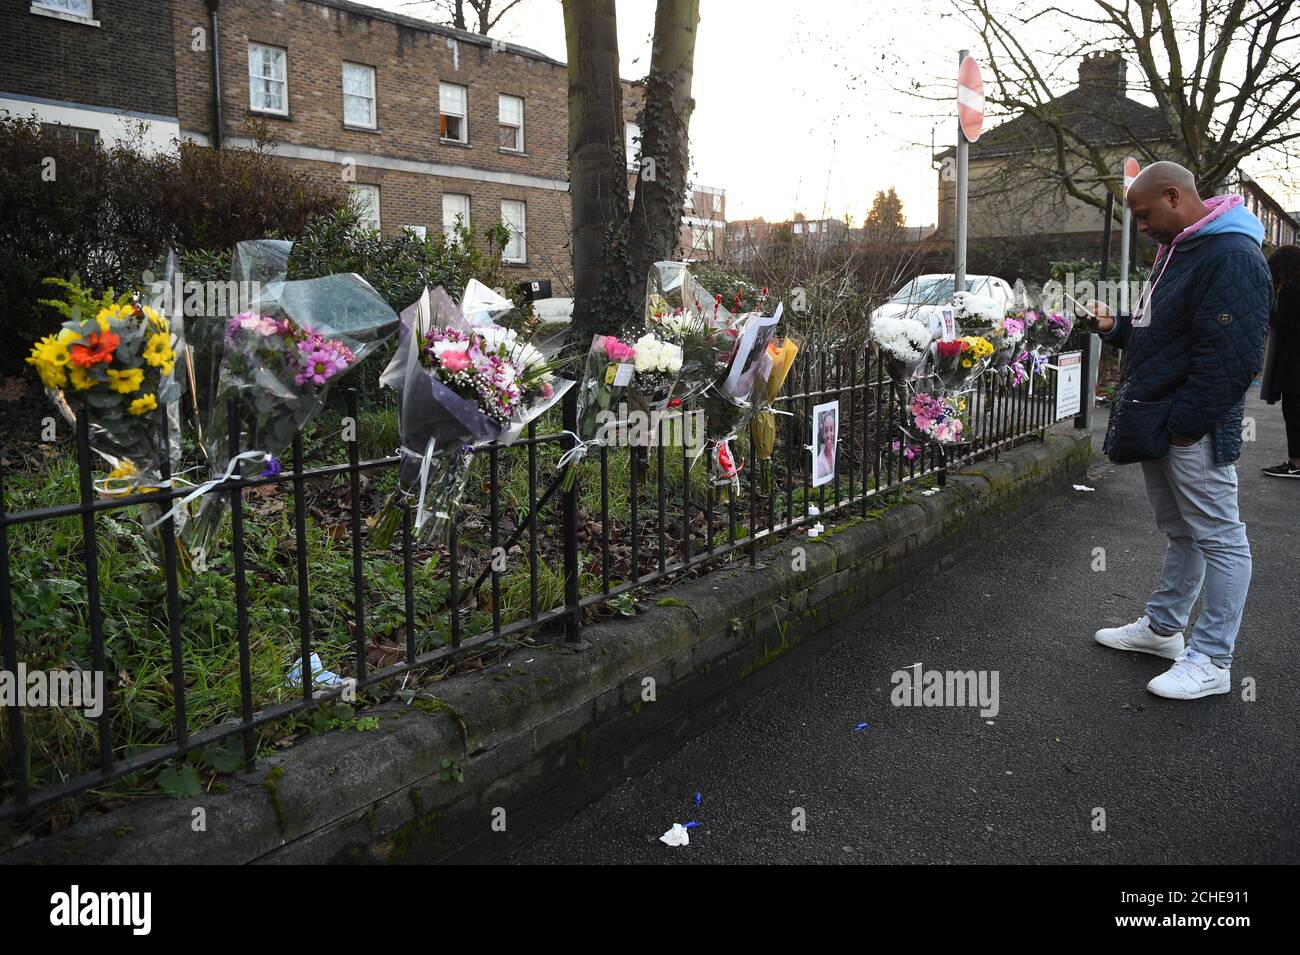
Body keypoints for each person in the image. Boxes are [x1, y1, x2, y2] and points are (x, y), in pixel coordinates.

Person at [1079, 161, 1271, 701]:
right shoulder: (1183, 249)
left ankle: (1212, 660)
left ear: (1172, 196)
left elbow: (1232, 361)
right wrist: (1115, 325)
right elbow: (1163, 335)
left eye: (1142, 215)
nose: (1140, 227)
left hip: (1188, 427)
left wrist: (1186, 428)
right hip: (1166, 420)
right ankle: (1164, 632)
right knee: (1184, 530)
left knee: (1220, 537)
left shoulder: (1230, 255)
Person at [1261, 245, 1300, 478]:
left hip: (1294, 363)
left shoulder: (1291, 291)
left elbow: (1283, 324)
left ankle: (1295, 463)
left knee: (1294, 412)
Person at [814, 408, 836, 481]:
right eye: (826, 430)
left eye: (831, 429)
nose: (829, 434)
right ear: (823, 434)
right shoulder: (819, 463)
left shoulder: (835, 453)